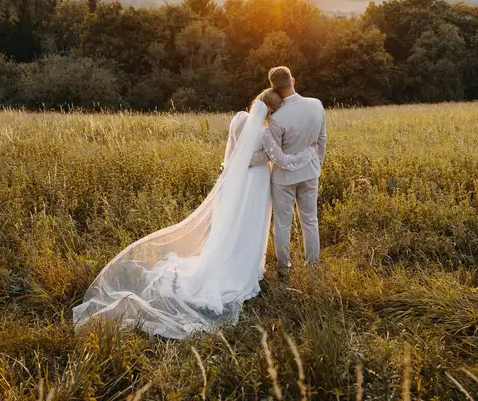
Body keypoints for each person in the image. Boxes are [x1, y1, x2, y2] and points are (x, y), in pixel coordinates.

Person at [73, 88, 317, 339]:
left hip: (236, 182)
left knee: (233, 223)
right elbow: (275, 159)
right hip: (255, 183)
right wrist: (307, 153)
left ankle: (228, 256)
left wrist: (231, 170)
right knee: (249, 226)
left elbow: (234, 153)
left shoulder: (238, 119)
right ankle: (243, 267)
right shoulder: (266, 133)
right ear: (273, 110)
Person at [264, 66, 327, 278]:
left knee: (283, 224)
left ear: (274, 88)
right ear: (293, 79)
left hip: (283, 178)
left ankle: (284, 267)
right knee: (310, 220)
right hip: (310, 173)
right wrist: (316, 163)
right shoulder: (316, 104)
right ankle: (313, 266)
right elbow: (322, 139)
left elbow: (276, 154)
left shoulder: (276, 118)